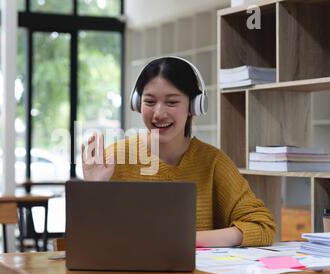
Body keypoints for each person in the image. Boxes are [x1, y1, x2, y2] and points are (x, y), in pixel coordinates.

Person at [81, 57, 276, 247]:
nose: (158, 113)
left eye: (171, 102)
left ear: (194, 106)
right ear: (137, 103)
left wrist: (188, 239)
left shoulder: (212, 162)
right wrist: (94, 191)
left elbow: (262, 227)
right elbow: (88, 240)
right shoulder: (114, 158)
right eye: (149, 102)